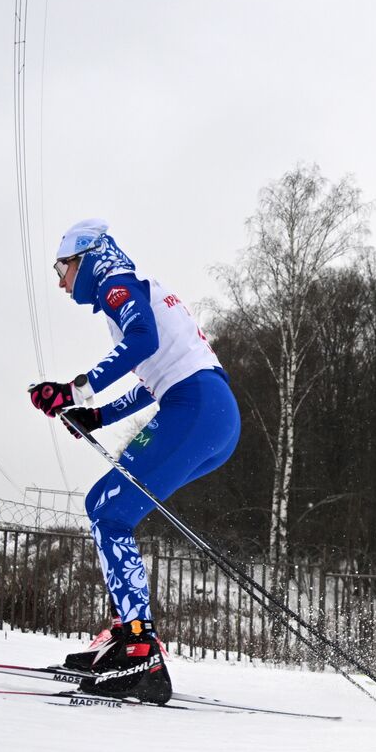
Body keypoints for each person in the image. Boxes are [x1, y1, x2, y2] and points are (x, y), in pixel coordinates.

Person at [28, 219, 240, 703]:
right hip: (206, 411)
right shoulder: (133, 290)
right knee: (107, 503)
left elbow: (142, 342)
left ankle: (139, 643)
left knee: (109, 508)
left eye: (63, 268)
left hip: (196, 407)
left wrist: (75, 388)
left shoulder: (116, 284)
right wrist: (95, 414)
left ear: (87, 258)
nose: (61, 282)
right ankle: (132, 636)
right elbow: (150, 379)